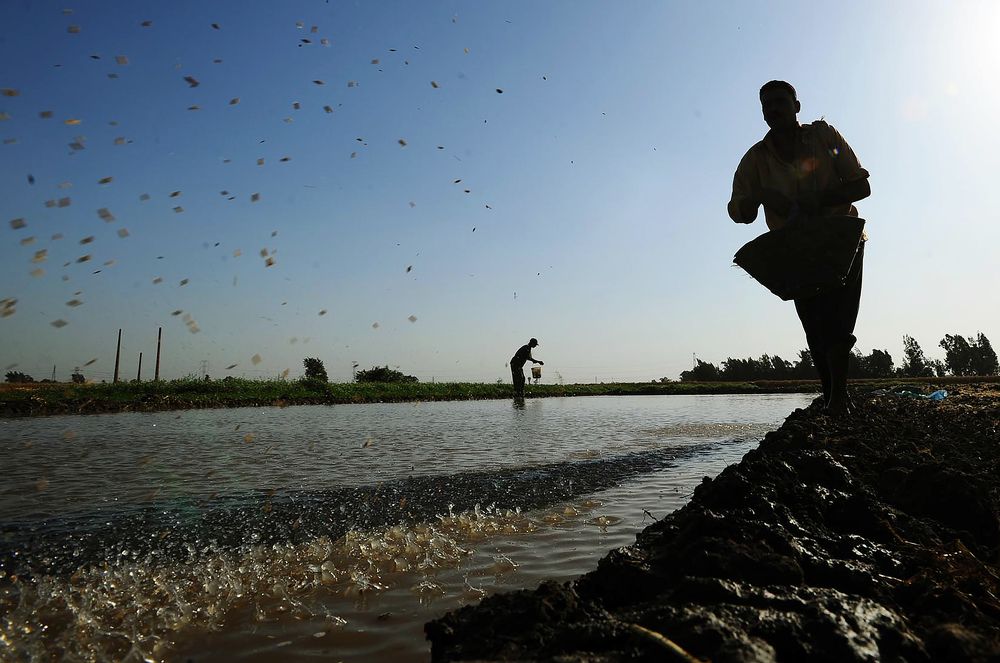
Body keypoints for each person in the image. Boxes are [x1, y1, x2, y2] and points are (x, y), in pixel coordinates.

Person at [728, 80, 871, 415]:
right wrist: (761, 197)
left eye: (781, 102)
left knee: (839, 318)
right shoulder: (756, 159)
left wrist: (818, 199)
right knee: (814, 325)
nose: (773, 109)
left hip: (840, 240)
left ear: (797, 106)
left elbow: (861, 185)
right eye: (767, 105)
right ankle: (830, 395)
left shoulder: (825, 138)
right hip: (793, 249)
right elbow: (739, 211)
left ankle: (838, 399)